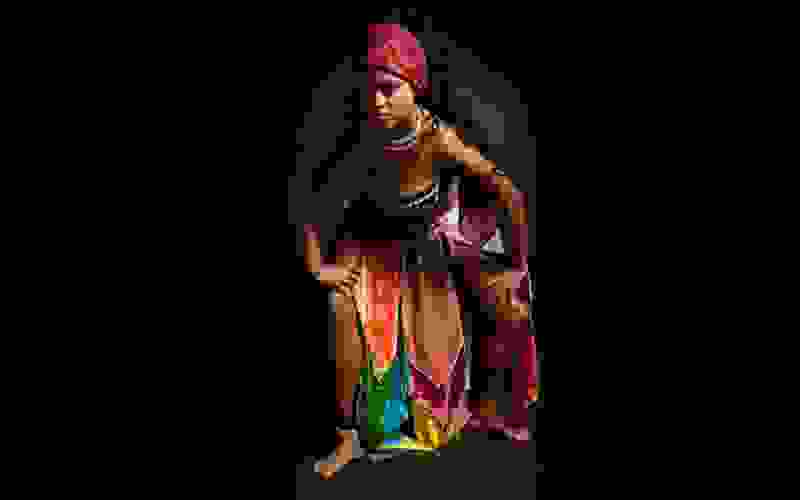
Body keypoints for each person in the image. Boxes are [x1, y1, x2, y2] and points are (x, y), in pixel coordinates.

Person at [304, 23, 536, 480]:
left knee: (506, 306)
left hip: (431, 251)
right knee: (340, 307)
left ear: (416, 87)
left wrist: (517, 262)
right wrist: (317, 265)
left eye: (389, 90)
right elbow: (316, 202)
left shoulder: (438, 140)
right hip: (372, 248)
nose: (377, 102)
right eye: (371, 91)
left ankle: (494, 407)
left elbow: (507, 190)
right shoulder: (365, 139)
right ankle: (347, 436)